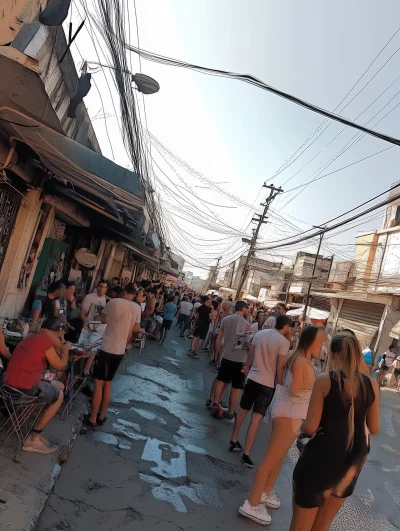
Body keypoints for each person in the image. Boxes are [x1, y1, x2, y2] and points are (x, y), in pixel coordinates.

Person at [289, 331, 380, 531]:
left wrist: (299, 427)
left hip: (323, 454)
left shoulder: (326, 380)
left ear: (332, 355)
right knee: (322, 524)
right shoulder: (372, 384)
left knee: (301, 524)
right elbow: (373, 428)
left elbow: (311, 426)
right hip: (353, 459)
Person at [238, 325, 328, 525]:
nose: (322, 348)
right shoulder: (301, 362)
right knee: (271, 459)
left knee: (277, 457)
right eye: (321, 343)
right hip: (290, 414)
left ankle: (266, 491)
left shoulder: (299, 358)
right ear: (312, 342)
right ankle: (252, 503)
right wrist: (315, 391)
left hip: (289, 413)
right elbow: (296, 389)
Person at [230, 315, 293, 467]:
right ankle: (247, 452)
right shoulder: (283, 342)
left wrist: (246, 370)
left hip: (252, 378)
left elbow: (250, 356)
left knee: (243, 410)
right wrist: (280, 386)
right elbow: (280, 367)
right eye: (290, 327)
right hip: (267, 384)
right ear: (286, 326)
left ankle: (233, 439)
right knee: (256, 419)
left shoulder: (259, 334)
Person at [4, 317, 70, 454]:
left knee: (59, 386)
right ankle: (34, 438)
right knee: (59, 396)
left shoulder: (33, 337)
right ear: (56, 332)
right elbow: (60, 365)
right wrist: (66, 350)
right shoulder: (44, 341)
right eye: (61, 336)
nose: (62, 339)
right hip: (22, 390)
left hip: (7, 385)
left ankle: (35, 424)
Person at [83, 284, 141, 429]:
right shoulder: (136, 308)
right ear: (133, 295)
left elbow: (103, 320)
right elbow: (135, 329)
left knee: (98, 383)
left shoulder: (113, 302)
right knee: (108, 383)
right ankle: (102, 415)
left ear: (123, 292)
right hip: (120, 350)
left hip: (107, 347)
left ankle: (92, 418)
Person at [212, 301, 252, 420]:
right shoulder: (246, 324)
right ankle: (230, 411)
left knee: (221, 380)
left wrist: (217, 354)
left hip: (226, 355)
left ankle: (215, 403)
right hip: (240, 359)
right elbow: (249, 343)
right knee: (236, 387)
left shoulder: (226, 319)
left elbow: (219, 338)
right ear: (244, 309)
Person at [79, 280, 108, 347]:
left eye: (104, 287)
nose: (102, 289)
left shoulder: (104, 299)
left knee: (92, 350)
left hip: (97, 330)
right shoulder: (89, 297)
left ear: (106, 289)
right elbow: (82, 314)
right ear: (97, 287)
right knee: (82, 348)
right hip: (87, 328)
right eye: (100, 286)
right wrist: (87, 326)